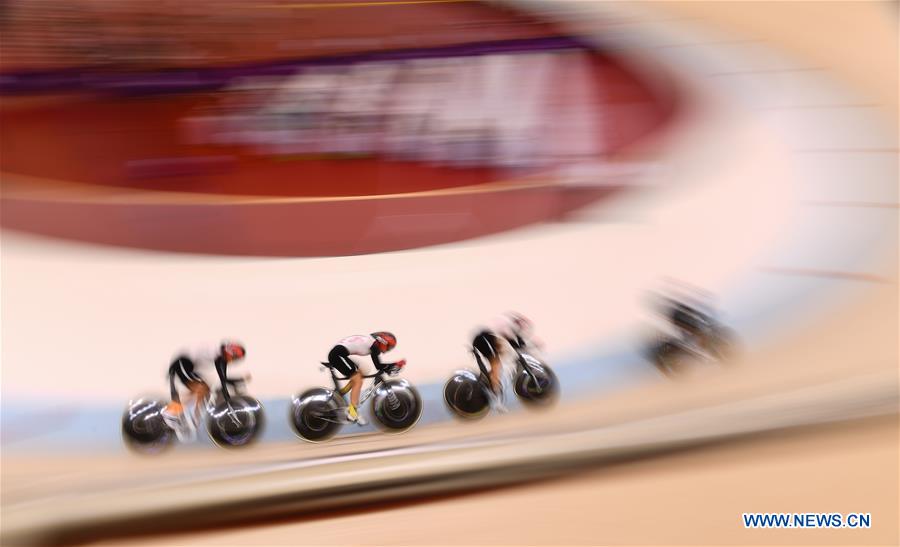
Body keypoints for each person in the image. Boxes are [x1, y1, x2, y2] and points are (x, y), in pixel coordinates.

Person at [162, 341, 247, 441]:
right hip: (182, 362)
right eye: (234, 358)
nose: (233, 361)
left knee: (205, 390)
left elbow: (223, 379)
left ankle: (190, 416)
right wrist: (237, 382)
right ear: (230, 353)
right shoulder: (219, 356)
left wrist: (236, 382)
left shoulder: (221, 355)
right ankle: (172, 412)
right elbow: (223, 380)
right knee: (201, 388)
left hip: (187, 365)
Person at [326, 332, 405, 425]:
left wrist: (391, 365)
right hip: (337, 355)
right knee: (358, 381)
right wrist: (395, 364)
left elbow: (379, 366)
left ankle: (342, 393)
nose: (388, 350)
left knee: (364, 369)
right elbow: (378, 366)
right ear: (383, 342)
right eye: (389, 347)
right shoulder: (374, 345)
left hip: (339, 352)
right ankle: (352, 412)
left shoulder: (371, 341)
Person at [471, 312, 539, 412]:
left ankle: (489, 382)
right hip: (485, 338)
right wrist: (530, 347)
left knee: (499, 361)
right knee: (496, 366)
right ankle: (495, 401)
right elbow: (515, 342)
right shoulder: (508, 324)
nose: (520, 331)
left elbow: (516, 342)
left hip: (484, 338)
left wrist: (529, 346)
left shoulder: (505, 323)